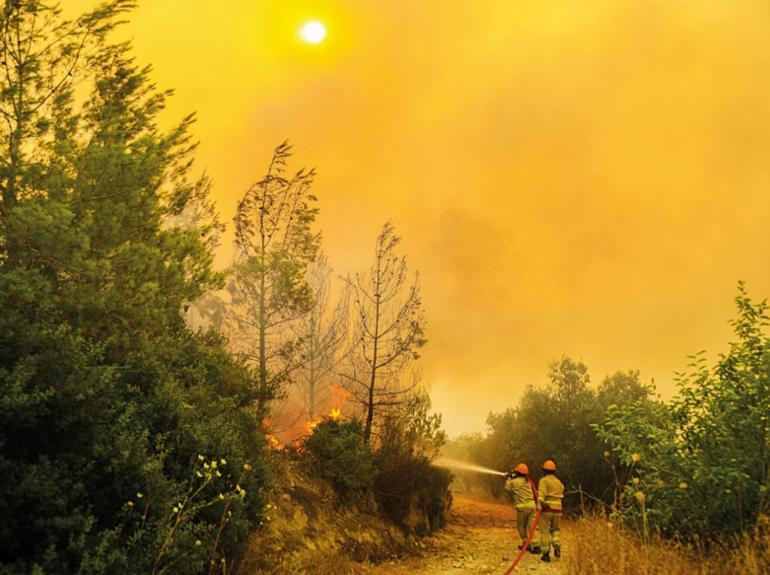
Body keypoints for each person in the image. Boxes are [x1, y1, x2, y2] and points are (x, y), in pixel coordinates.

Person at [504, 463, 540, 554]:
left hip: (523, 508)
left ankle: (525, 545)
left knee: (521, 527)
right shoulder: (528, 481)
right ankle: (536, 546)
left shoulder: (514, 482)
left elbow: (507, 488)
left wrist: (508, 478)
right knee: (532, 527)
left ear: (518, 472)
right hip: (532, 506)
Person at [537, 459, 564, 562]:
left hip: (547, 509)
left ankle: (546, 554)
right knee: (556, 530)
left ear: (544, 470)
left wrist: (539, 504)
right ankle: (556, 546)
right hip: (558, 509)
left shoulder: (543, 480)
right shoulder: (559, 482)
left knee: (545, 532)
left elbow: (541, 494)